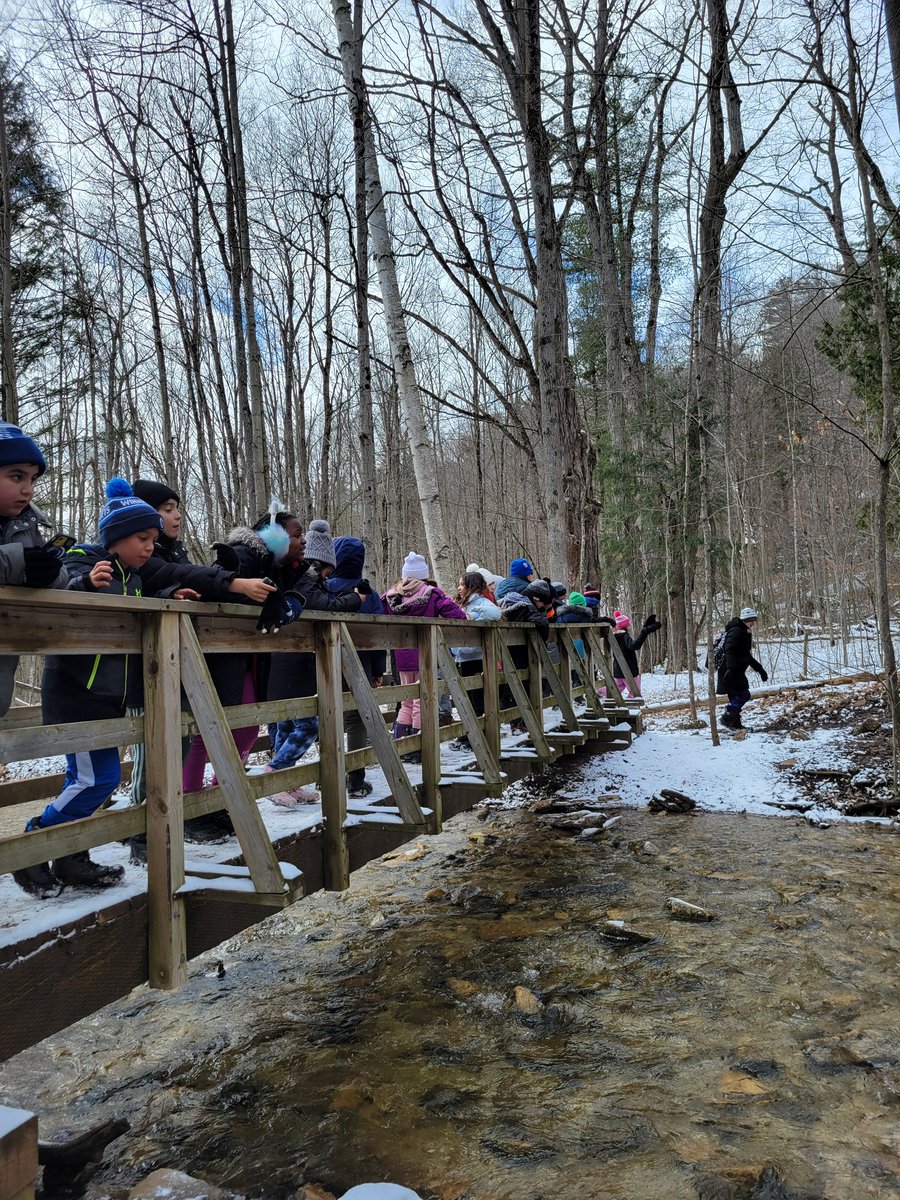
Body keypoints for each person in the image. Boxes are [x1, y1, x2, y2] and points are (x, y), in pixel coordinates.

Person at [14, 479, 271, 896]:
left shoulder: (135, 575)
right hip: (77, 692)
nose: (150, 546)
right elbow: (64, 583)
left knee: (90, 778)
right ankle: (32, 842)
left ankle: (69, 855)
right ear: (115, 536)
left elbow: (168, 575)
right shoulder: (85, 557)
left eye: (153, 538)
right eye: (141, 537)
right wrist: (84, 584)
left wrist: (171, 592)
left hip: (108, 696)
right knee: (93, 780)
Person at [124, 482, 282, 858]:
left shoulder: (168, 551)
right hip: (146, 669)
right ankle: (144, 832)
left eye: (177, 507)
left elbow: (186, 577)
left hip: (174, 666)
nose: (176, 515)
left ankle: (186, 813)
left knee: (178, 742)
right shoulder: (141, 557)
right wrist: (234, 581)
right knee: (155, 754)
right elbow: (176, 575)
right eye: (166, 508)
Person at [262, 518, 362, 806]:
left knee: (286, 725)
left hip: (287, 662)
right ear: (323, 563)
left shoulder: (305, 577)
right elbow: (318, 604)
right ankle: (275, 772)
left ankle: (286, 781)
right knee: (307, 725)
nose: (329, 575)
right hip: (294, 664)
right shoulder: (308, 577)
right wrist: (353, 600)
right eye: (329, 570)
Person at [0, 421, 67, 717]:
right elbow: (20, 562)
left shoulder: (27, 524)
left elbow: (61, 579)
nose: (28, 490)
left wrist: (50, 574)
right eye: (17, 476)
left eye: (33, 478)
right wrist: (21, 562)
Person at [382, 552, 465, 752]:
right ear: (424, 574)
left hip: (401, 656)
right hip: (425, 655)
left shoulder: (391, 596)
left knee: (407, 701)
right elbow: (457, 615)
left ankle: (402, 747)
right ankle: (420, 749)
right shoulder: (431, 593)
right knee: (422, 701)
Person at [326, 535, 386, 798]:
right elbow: (380, 635)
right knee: (356, 718)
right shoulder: (370, 595)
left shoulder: (324, 588)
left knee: (328, 714)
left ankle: (327, 776)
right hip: (361, 664)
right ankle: (356, 779)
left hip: (325, 665)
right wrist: (377, 670)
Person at [451, 570, 502, 750]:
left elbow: (495, 613)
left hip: (475, 656)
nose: (459, 587)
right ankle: (471, 735)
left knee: (476, 699)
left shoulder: (479, 602)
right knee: (468, 698)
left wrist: (472, 616)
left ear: (471, 586)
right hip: (464, 656)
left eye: (462, 584)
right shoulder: (464, 603)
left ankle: (477, 736)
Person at [716, 607, 768, 729]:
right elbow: (729, 650)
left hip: (735, 670)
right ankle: (727, 715)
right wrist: (730, 669)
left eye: (754, 621)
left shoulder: (743, 632)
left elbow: (746, 655)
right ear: (746, 620)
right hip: (730, 671)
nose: (754, 623)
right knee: (744, 694)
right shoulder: (736, 631)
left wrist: (760, 669)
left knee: (735, 697)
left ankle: (735, 724)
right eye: (752, 621)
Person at [611, 611, 662, 698]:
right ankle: (631, 708)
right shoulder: (624, 636)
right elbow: (634, 646)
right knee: (635, 693)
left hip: (618, 669)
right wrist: (644, 632)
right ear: (626, 626)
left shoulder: (613, 637)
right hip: (629, 670)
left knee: (616, 688)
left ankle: (600, 694)